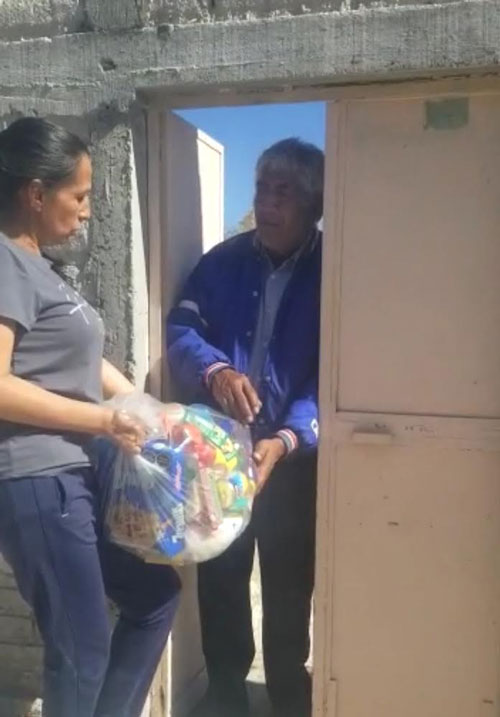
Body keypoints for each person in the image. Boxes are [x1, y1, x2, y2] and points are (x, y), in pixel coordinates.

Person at [0, 117, 181, 717]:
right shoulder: (5, 263)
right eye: (77, 196)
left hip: (73, 478)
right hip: (35, 479)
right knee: (80, 653)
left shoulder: (42, 268)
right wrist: (103, 422)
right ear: (35, 193)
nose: (86, 211)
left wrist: (151, 411)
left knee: (153, 597)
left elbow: (85, 361)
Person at [167, 137, 323, 717]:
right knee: (222, 575)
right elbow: (181, 330)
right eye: (262, 189)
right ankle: (227, 691)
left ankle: (287, 693)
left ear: (314, 205)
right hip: (220, 454)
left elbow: (336, 373)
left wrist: (287, 438)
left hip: (292, 459)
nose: (268, 203)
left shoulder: (335, 270)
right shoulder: (221, 262)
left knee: (289, 583)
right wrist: (215, 371)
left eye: (285, 192)